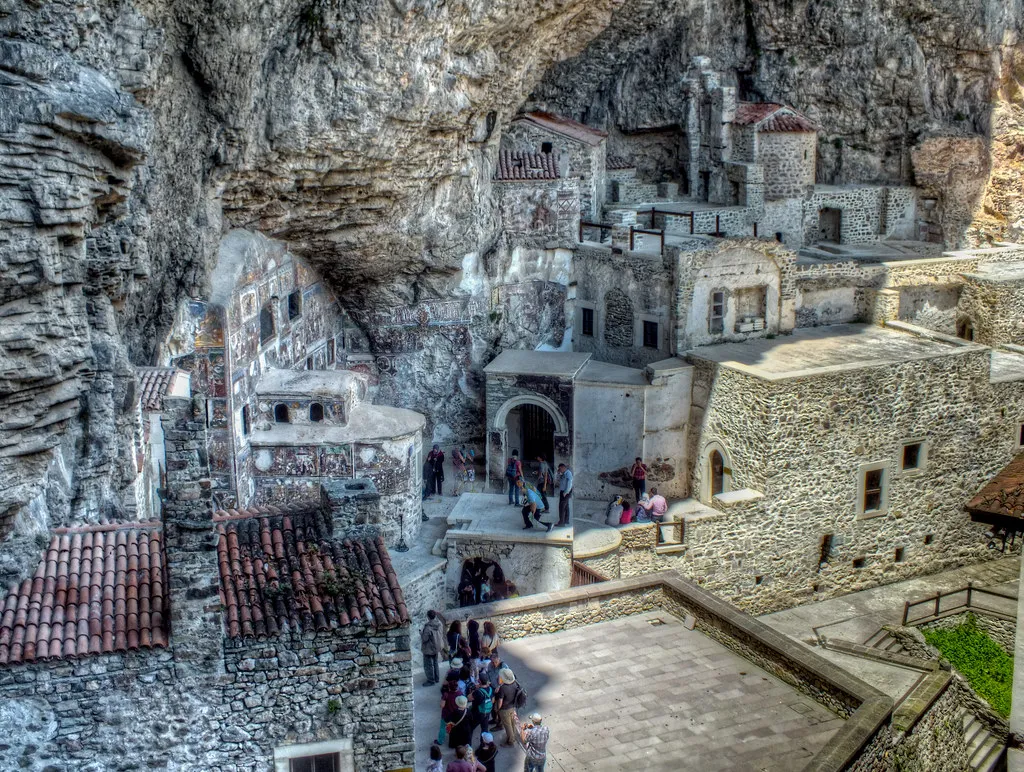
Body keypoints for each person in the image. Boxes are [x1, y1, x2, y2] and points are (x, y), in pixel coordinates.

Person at [495, 667, 523, 746]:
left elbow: (500, 701)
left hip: (504, 709)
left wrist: (497, 709)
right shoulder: (515, 684)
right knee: (512, 723)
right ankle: (513, 736)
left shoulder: (503, 688)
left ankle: (511, 741)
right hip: (512, 707)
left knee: (507, 726)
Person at [420, 609, 446, 686]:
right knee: (435, 663)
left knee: (428, 665)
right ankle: (437, 678)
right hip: (437, 647)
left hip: (429, 649)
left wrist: (421, 633)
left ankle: (431, 680)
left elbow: (424, 639)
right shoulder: (439, 624)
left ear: (428, 617)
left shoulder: (428, 627)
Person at [556, 463, 573, 528]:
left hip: (566, 491)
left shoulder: (568, 473)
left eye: (560, 468)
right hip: (563, 491)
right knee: (566, 506)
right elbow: (558, 479)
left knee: (562, 506)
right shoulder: (563, 473)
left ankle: (561, 523)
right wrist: (558, 473)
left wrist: (566, 492)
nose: (559, 470)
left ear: (563, 467)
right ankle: (566, 520)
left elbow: (570, 483)